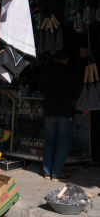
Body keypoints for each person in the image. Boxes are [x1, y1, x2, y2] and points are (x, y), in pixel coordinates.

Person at [39, 52, 81, 181]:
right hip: (65, 112)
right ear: (67, 59)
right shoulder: (70, 72)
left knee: (49, 141)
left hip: (49, 111)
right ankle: (57, 172)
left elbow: (40, 88)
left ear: (54, 58)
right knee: (63, 142)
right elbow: (77, 92)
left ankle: (47, 171)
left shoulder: (46, 71)